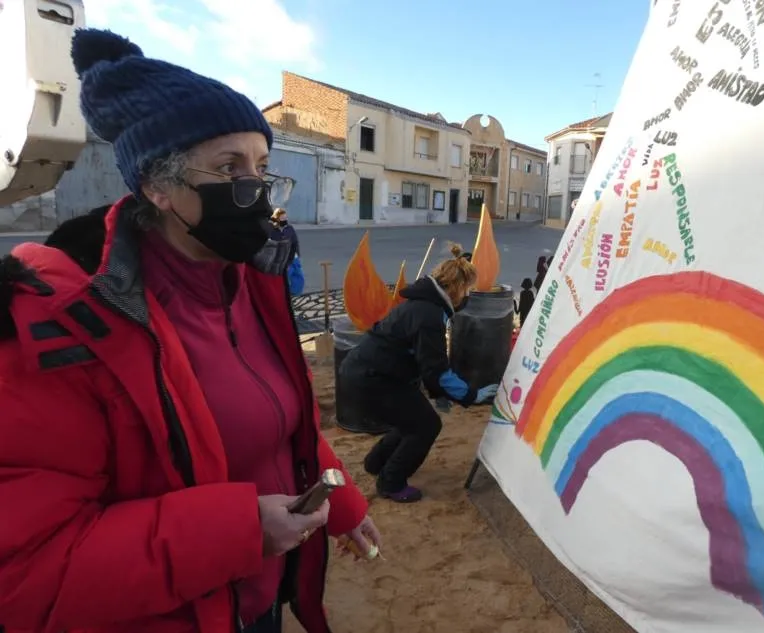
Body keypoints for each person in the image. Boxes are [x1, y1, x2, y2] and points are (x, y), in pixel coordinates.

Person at [0, 28, 378, 633]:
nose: (256, 192)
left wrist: (340, 506)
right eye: (229, 167)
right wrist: (238, 532)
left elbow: (279, 423)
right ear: (157, 185)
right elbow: (24, 574)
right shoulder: (61, 326)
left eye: (262, 166)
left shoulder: (252, 283)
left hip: (258, 598)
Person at [338, 243, 498, 503]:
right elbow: (436, 368)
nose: (467, 296)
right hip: (371, 380)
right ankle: (391, 481)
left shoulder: (424, 304)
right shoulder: (429, 315)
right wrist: (471, 395)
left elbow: (424, 361)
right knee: (426, 426)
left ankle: (376, 461)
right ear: (457, 289)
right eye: (467, 290)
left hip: (368, 373)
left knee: (411, 418)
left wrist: (440, 392)